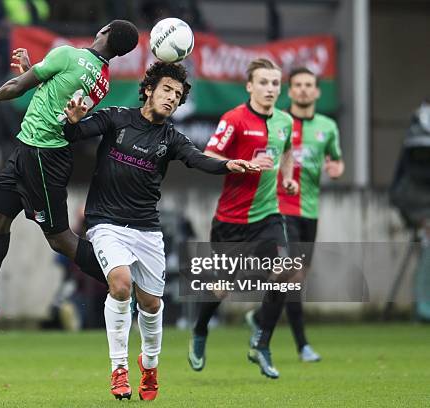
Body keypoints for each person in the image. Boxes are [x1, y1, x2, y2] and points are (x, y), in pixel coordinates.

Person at [63, 61, 259, 401]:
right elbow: (75, 133)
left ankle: (149, 365)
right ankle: (119, 369)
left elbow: (198, 159)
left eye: (178, 95)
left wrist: (227, 164)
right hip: (106, 224)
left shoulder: (171, 138)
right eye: (167, 89)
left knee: (151, 305)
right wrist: (73, 119)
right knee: (120, 284)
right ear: (149, 89)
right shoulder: (116, 118)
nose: (171, 98)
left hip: (146, 231)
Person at [0, 20, 139, 323]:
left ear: (105, 32)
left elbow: (19, 87)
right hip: (26, 148)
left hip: (44, 158)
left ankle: (127, 283)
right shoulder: (102, 79)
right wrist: (34, 69)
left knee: (59, 238)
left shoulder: (68, 55)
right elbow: (58, 94)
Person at [187, 58, 298, 379]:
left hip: (268, 217)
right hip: (231, 222)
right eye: (263, 82)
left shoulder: (284, 122)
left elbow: (287, 151)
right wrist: (240, 163)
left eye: (275, 83)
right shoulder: (234, 119)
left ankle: (261, 343)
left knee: (285, 270)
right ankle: (200, 328)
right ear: (250, 86)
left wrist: (288, 178)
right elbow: (209, 155)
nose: (270, 89)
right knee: (221, 289)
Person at [244, 67, 344, 362]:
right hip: (280, 210)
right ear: (290, 90)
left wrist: (337, 169)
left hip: (310, 212)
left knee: (297, 278)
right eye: (297, 84)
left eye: (308, 85)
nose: (302, 89)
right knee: (293, 277)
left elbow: (336, 161)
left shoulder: (328, 126)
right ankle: (301, 345)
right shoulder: (279, 122)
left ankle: (261, 317)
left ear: (316, 92)